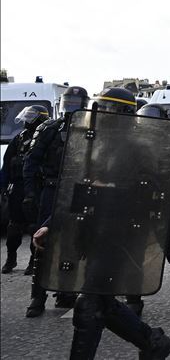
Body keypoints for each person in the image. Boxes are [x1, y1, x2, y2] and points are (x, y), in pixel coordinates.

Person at [31, 86, 170, 359]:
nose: (103, 115)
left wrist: (109, 187)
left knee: (88, 305)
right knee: (102, 303)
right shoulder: (96, 145)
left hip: (121, 237)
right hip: (93, 233)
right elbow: (79, 189)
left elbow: (151, 195)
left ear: (124, 114)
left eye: (108, 110)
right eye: (101, 108)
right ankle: (153, 342)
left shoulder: (140, 150)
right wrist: (52, 224)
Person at [125, 104, 170, 316]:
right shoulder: (131, 148)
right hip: (135, 207)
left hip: (161, 207)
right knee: (133, 253)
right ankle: (133, 300)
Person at [23, 86, 90, 317]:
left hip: (79, 191)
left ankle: (65, 291)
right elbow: (31, 161)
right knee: (42, 244)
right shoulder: (49, 128)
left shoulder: (91, 128)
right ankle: (37, 298)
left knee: (72, 244)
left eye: (75, 102)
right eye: (67, 101)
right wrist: (30, 193)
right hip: (52, 190)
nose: (70, 106)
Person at [1, 105, 49, 274]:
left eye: (31, 117)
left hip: (37, 188)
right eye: (26, 116)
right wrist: (3, 187)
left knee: (35, 226)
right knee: (14, 227)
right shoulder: (19, 139)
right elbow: (6, 165)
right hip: (18, 188)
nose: (27, 120)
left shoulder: (47, 138)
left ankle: (33, 261)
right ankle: (11, 259)